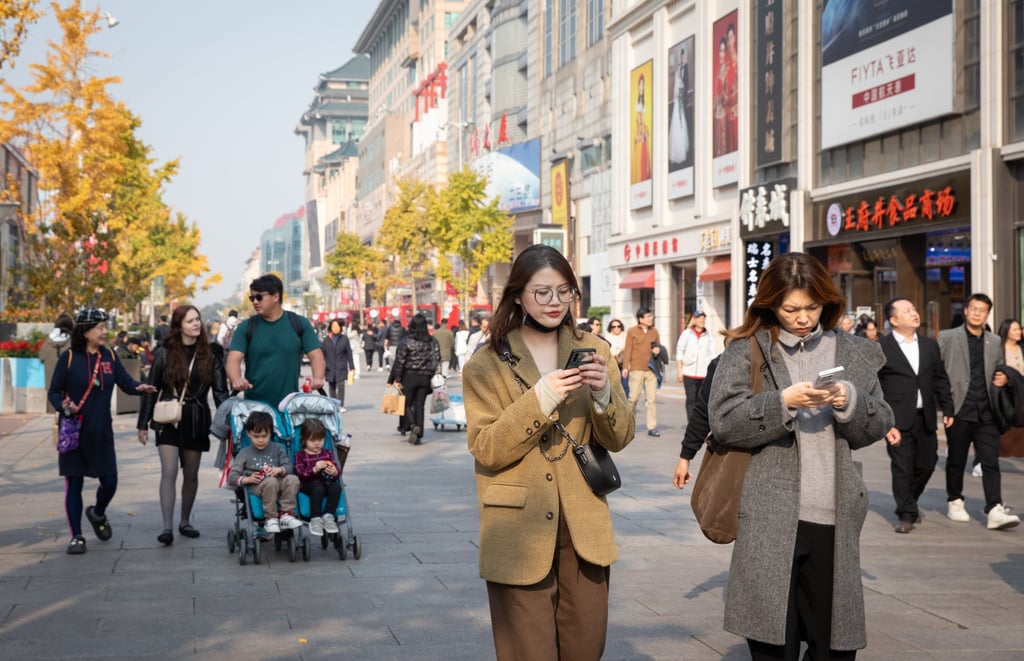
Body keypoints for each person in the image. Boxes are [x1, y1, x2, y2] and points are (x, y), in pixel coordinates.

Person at [708, 252, 894, 659]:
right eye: (790, 308)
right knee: (773, 645)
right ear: (770, 304)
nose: (803, 317)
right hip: (768, 517)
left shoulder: (851, 350)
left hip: (834, 516)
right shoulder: (747, 349)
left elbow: (879, 422)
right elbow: (723, 419)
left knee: (835, 647)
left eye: (812, 307)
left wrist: (850, 400)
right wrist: (783, 403)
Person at [463, 244, 635, 660]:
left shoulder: (596, 349)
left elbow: (621, 435)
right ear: (518, 295)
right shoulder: (486, 364)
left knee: (585, 647)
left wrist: (602, 392)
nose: (555, 302)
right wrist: (540, 398)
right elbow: (485, 447)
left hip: (583, 524)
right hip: (517, 528)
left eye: (564, 291)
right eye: (542, 292)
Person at [47, 308, 158, 555]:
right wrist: (64, 406)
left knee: (110, 481)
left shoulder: (108, 356)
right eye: (100, 327)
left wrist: (140, 387)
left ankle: (98, 513)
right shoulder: (68, 358)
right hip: (74, 432)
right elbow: (54, 392)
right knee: (73, 483)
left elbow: (125, 383)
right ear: (85, 332)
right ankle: (76, 536)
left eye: (105, 326)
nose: (105, 331)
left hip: (101, 433)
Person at [137, 305, 229, 546]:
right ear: (179, 326)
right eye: (190, 321)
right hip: (167, 418)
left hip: (196, 419)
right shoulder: (165, 353)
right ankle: (167, 527)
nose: (196, 324)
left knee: (191, 473)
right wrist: (142, 423)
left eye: (198, 320)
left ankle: (185, 521)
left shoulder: (211, 354)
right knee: (169, 471)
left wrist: (230, 419)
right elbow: (151, 388)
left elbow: (220, 392)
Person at [938, 294, 1020, 530]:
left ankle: (994, 508)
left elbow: (998, 368)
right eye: (973, 308)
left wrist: (1003, 377)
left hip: (987, 412)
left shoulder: (994, 342)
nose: (977, 313)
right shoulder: (947, 337)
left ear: (987, 314)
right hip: (959, 410)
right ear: (965, 311)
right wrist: (946, 405)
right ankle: (955, 500)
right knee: (956, 459)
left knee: (990, 462)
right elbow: (938, 373)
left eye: (982, 310)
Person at [877, 298, 954, 534]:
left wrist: (948, 408)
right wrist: (883, 418)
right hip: (897, 418)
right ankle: (906, 514)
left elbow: (940, 378)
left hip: (926, 415)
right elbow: (875, 385)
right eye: (907, 310)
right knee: (902, 467)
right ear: (893, 320)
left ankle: (909, 500)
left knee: (928, 463)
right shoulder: (882, 347)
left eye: (914, 308)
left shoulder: (930, 345)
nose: (914, 313)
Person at [226, 274, 325, 408]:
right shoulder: (246, 327)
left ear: (276, 297)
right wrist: (236, 379)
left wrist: (317, 378)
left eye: (259, 297)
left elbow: (316, 355)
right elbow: (233, 360)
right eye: (252, 298)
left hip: (290, 406)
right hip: (255, 409)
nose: (255, 302)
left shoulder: (299, 323)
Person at [227, 411, 302, 534]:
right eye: (256, 436)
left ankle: (286, 514)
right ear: (249, 433)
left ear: (270, 434)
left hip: (277, 481)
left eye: (264, 436)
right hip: (257, 485)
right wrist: (247, 479)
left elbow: (289, 466)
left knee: (293, 479)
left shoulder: (277, 448)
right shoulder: (244, 453)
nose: (260, 440)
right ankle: (271, 517)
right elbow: (232, 476)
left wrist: (279, 469)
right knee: (271, 481)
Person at [387, 314, 441, 445]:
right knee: (419, 406)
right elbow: (437, 357)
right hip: (425, 377)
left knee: (404, 403)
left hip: (409, 376)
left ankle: (412, 426)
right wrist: (430, 371)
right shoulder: (432, 341)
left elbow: (400, 361)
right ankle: (419, 434)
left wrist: (397, 378)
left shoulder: (406, 341)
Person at [293, 418, 341, 536]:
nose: (317, 443)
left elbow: (337, 471)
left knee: (336, 487)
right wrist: (314, 469)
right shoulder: (300, 455)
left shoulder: (327, 453)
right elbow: (300, 473)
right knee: (317, 487)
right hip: (308, 485)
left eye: (320, 440)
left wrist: (334, 472)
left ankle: (328, 515)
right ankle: (315, 517)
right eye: (312, 440)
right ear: (304, 439)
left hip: (326, 483)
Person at [622, 306, 662, 436]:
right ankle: (628, 424)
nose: (651, 318)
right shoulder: (632, 331)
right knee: (633, 398)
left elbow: (658, 346)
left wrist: (657, 350)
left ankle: (652, 427)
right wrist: (625, 367)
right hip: (636, 369)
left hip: (651, 370)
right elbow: (627, 349)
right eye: (648, 316)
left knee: (652, 400)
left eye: (651, 316)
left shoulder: (654, 331)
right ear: (640, 319)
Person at [675, 310, 716, 425]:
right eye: (699, 318)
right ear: (694, 319)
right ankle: (691, 423)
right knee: (691, 400)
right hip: (688, 373)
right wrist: (679, 371)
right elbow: (679, 351)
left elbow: (712, 355)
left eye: (703, 318)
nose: (702, 320)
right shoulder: (687, 334)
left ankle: (699, 423)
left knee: (701, 401)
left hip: (704, 374)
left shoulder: (709, 336)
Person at [997, 318, 1024, 458]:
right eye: (1015, 329)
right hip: (1007, 395)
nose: (1018, 332)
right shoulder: (998, 349)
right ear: (1006, 331)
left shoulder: (1022, 347)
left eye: (1019, 329)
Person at [39, 313, 74, 414]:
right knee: (68, 416)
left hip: (51, 385)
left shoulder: (48, 341)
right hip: (69, 385)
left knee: (53, 414)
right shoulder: (72, 341)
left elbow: (41, 357)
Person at [322, 319, 355, 412]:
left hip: (341, 365)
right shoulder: (326, 340)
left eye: (337, 326)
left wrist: (352, 367)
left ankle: (340, 405)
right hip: (329, 366)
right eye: (333, 326)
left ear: (340, 327)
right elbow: (323, 354)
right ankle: (333, 404)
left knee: (341, 385)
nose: (335, 328)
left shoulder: (344, 339)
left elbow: (349, 353)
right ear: (330, 328)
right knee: (331, 386)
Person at [668, 47, 691, 168]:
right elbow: (675, 92)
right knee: (677, 125)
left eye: (683, 57)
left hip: (682, 102)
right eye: (681, 57)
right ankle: (677, 152)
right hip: (678, 102)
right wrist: (677, 97)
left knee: (683, 125)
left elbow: (686, 85)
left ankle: (684, 149)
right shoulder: (677, 74)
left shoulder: (685, 69)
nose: (682, 60)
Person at [631, 73, 651, 183]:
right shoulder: (636, 102)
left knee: (644, 165)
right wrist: (637, 136)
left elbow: (645, 123)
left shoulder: (645, 102)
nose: (641, 87)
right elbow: (636, 123)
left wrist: (645, 132)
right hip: (638, 140)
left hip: (644, 139)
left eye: (643, 85)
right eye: (640, 84)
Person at [606, 319, 628, 397]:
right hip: (612, 365)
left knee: (625, 387)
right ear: (610, 328)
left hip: (623, 365)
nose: (616, 328)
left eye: (618, 326)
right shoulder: (607, 337)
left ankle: (625, 406)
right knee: (613, 387)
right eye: (614, 326)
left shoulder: (626, 336)